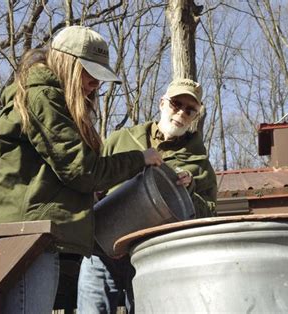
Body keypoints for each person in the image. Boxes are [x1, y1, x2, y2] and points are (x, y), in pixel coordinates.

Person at [0, 25, 163, 314]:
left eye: (100, 78)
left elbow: (65, 172)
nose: (95, 85)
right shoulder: (42, 96)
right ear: (67, 63)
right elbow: (81, 170)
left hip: (38, 237)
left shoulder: (52, 99)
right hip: (26, 237)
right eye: (90, 74)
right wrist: (140, 159)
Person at [77, 78, 217, 313]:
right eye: (176, 103)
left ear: (195, 116)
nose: (181, 112)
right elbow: (92, 179)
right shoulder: (120, 139)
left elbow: (209, 212)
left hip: (152, 257)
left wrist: (188, 191)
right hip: (101, 249)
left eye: (190, 109)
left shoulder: (199, 163)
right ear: (162, 103)